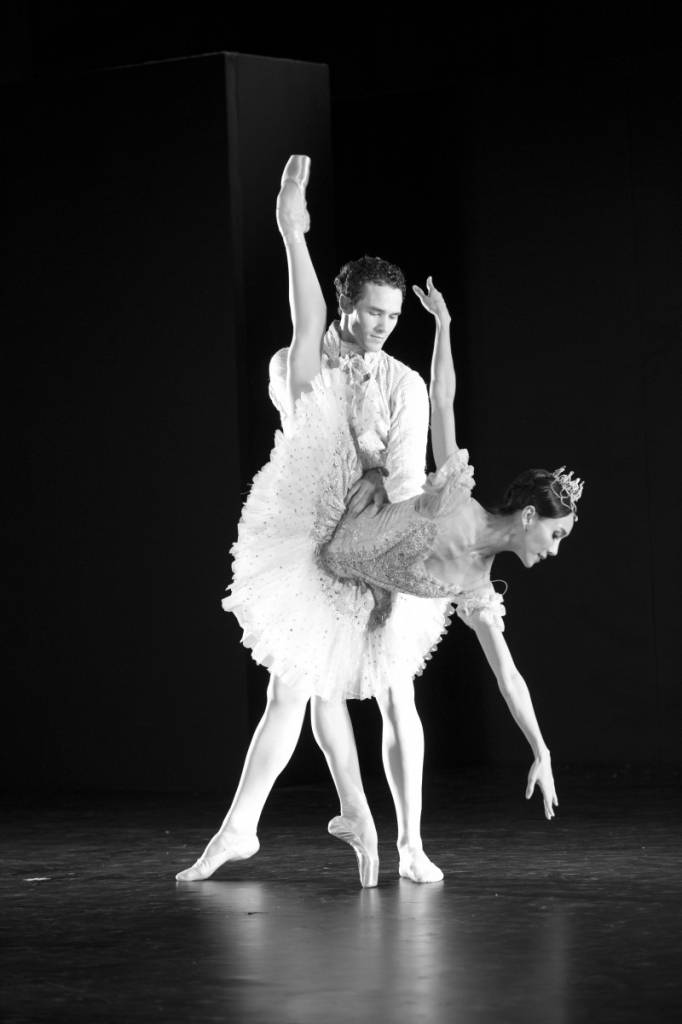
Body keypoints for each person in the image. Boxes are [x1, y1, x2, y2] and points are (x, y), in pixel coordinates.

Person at [176, 156, 583, 887]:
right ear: (348, 305)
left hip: (388, 541)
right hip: (333, 510)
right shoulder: (311, 367)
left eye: (393, 318)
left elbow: (415, 454)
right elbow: (406, 393)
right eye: (373, 312)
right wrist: (442, 332)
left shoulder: (406, 391)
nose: (382, 326)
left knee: (386, 693)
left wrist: (541, 746)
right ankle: (291, 230)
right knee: (305, 684)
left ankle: (399, 840)